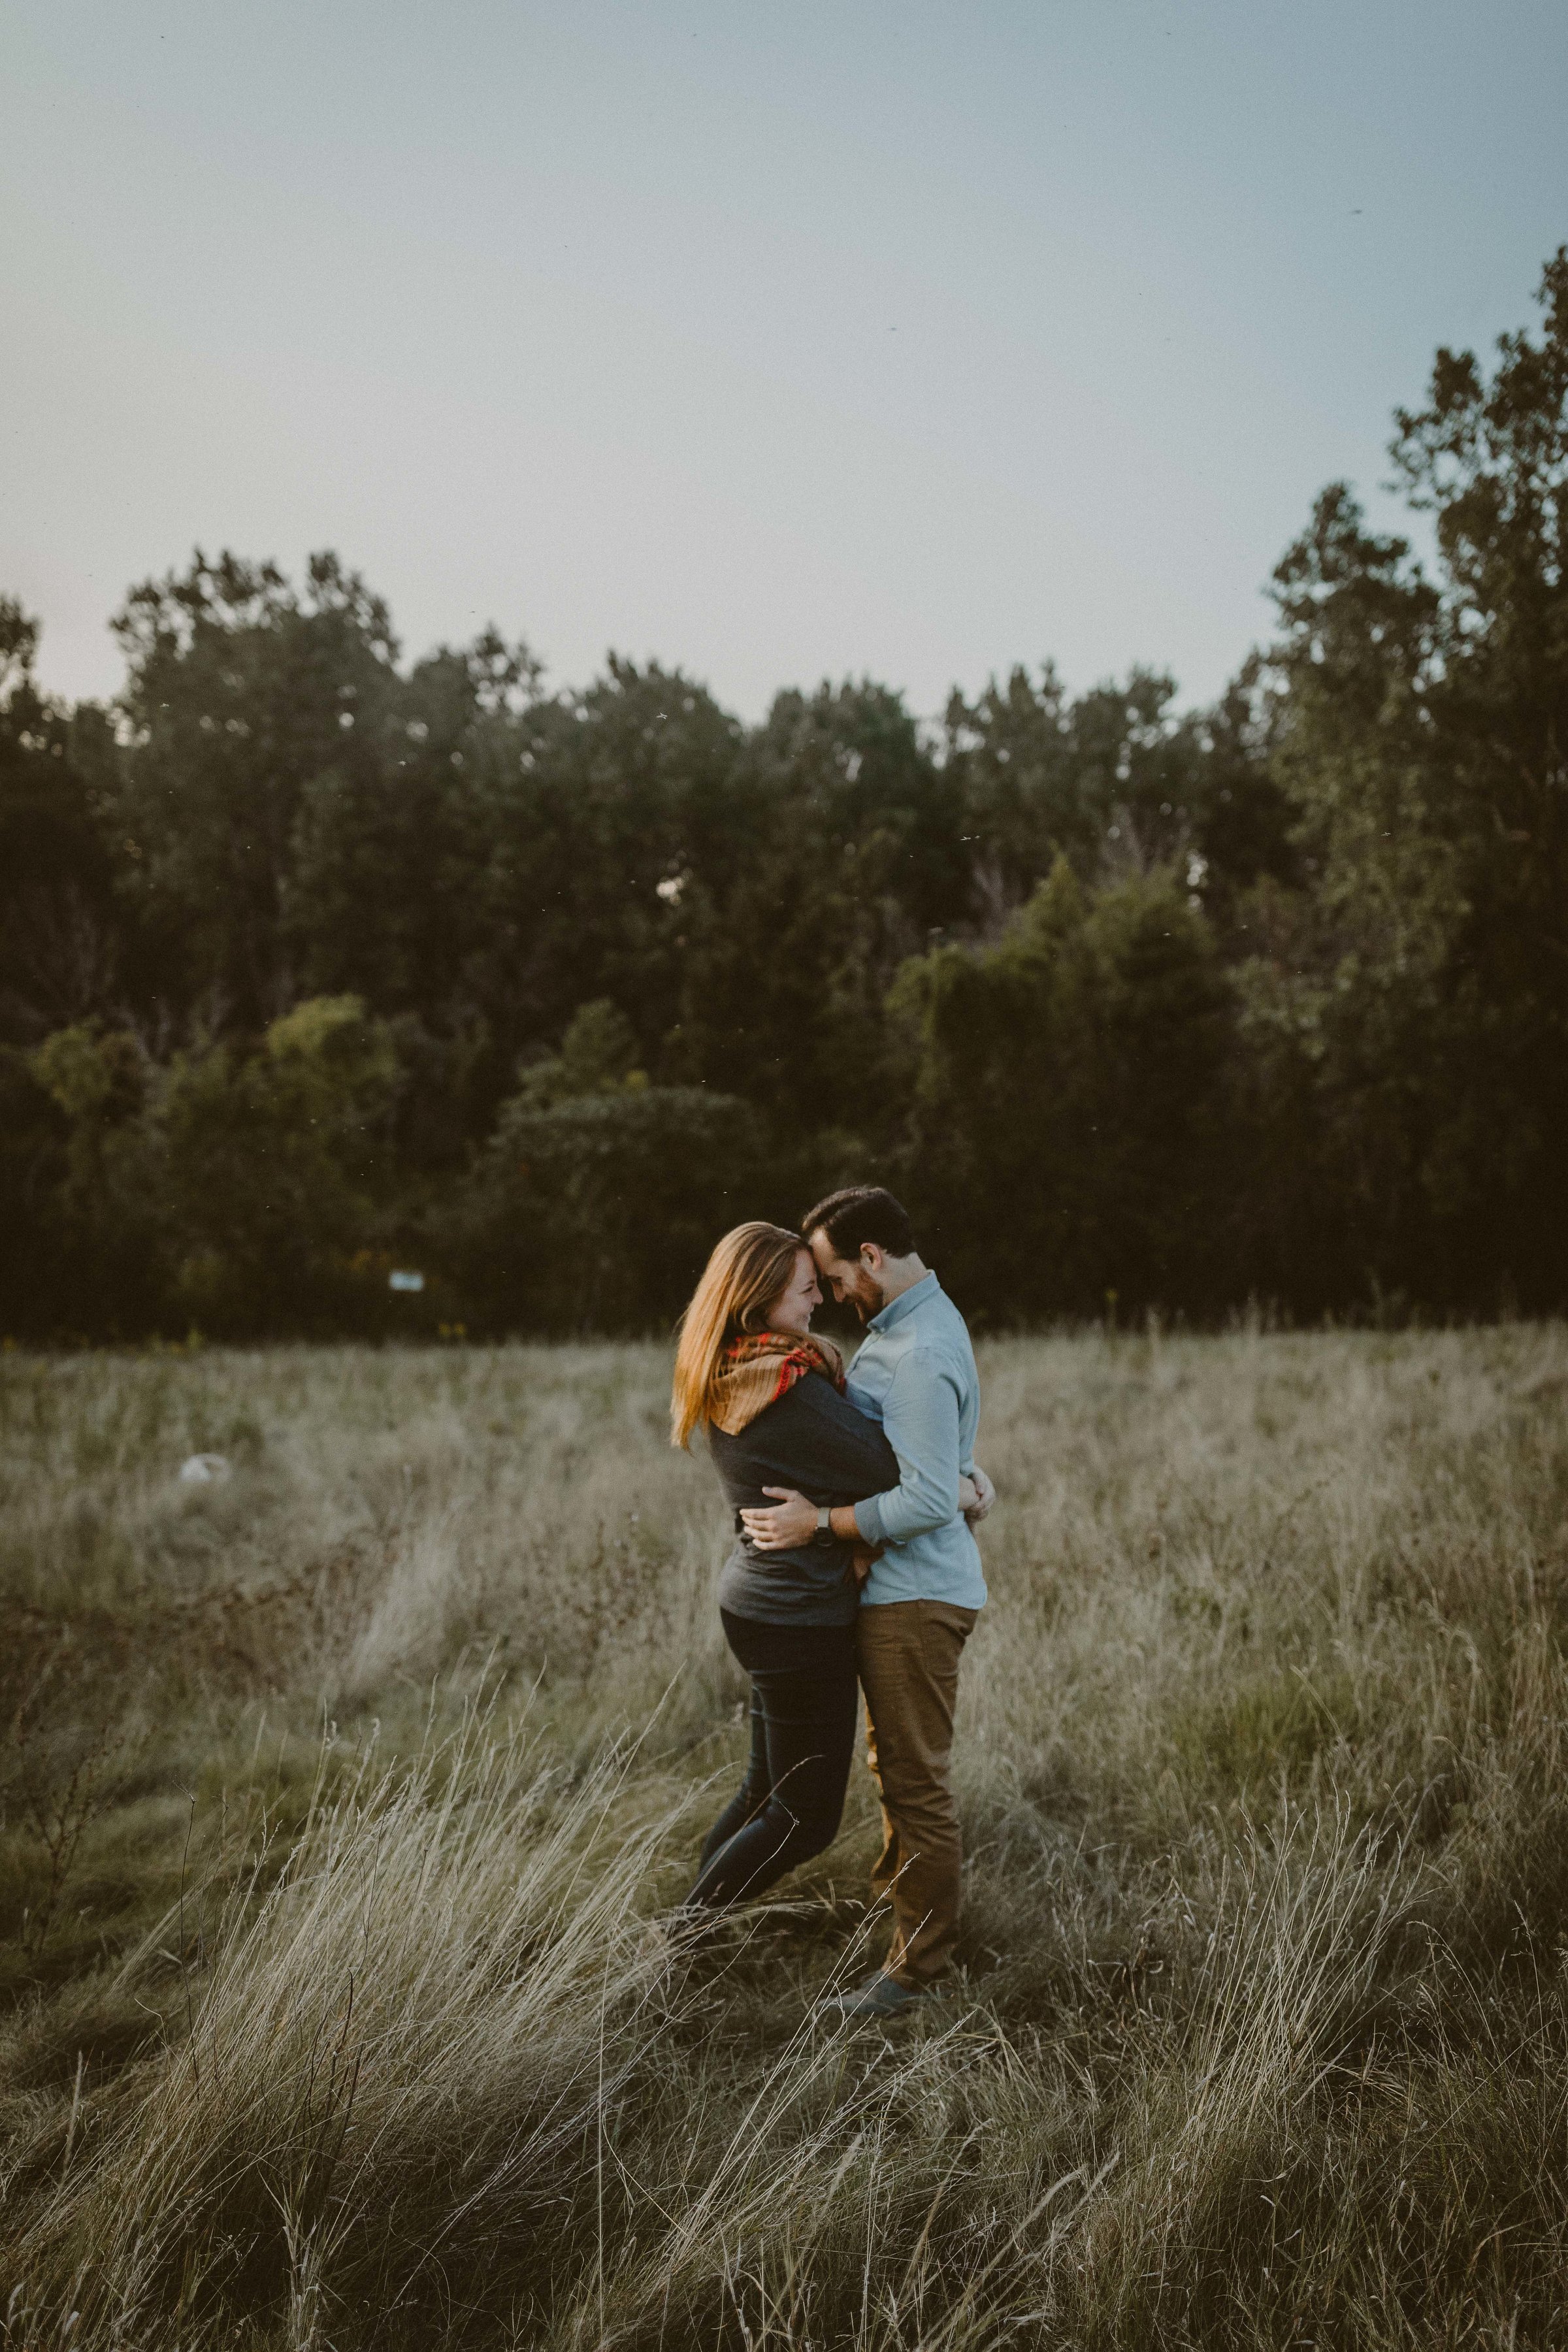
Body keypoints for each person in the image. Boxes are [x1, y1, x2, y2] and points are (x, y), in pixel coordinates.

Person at [670, 1220, 985, 1919]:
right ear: (760, 1301)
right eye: (809, 1291)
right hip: (797, 1618)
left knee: (762, 1792)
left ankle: (693, 1927)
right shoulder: (789, 1391)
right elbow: (894, 1470)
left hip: (759, 1603)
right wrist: (963, 1488)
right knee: (806, 1820)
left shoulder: (735, 1365)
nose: (820, 1304)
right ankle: (682, 1938)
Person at [742, 1186, 989, 2021]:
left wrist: (821, 1524)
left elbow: (920, 1499)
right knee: (900, 1775)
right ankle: (910, 1930)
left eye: (839, 1275)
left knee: (915, 1783)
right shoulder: (911, 1331)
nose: (835, 1295)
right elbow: (943, 1465)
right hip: (903, 1589)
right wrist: (972, 1481)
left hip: (915, 1596)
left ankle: (914, 1976)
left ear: (873, 1258)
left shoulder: (916, 1351)